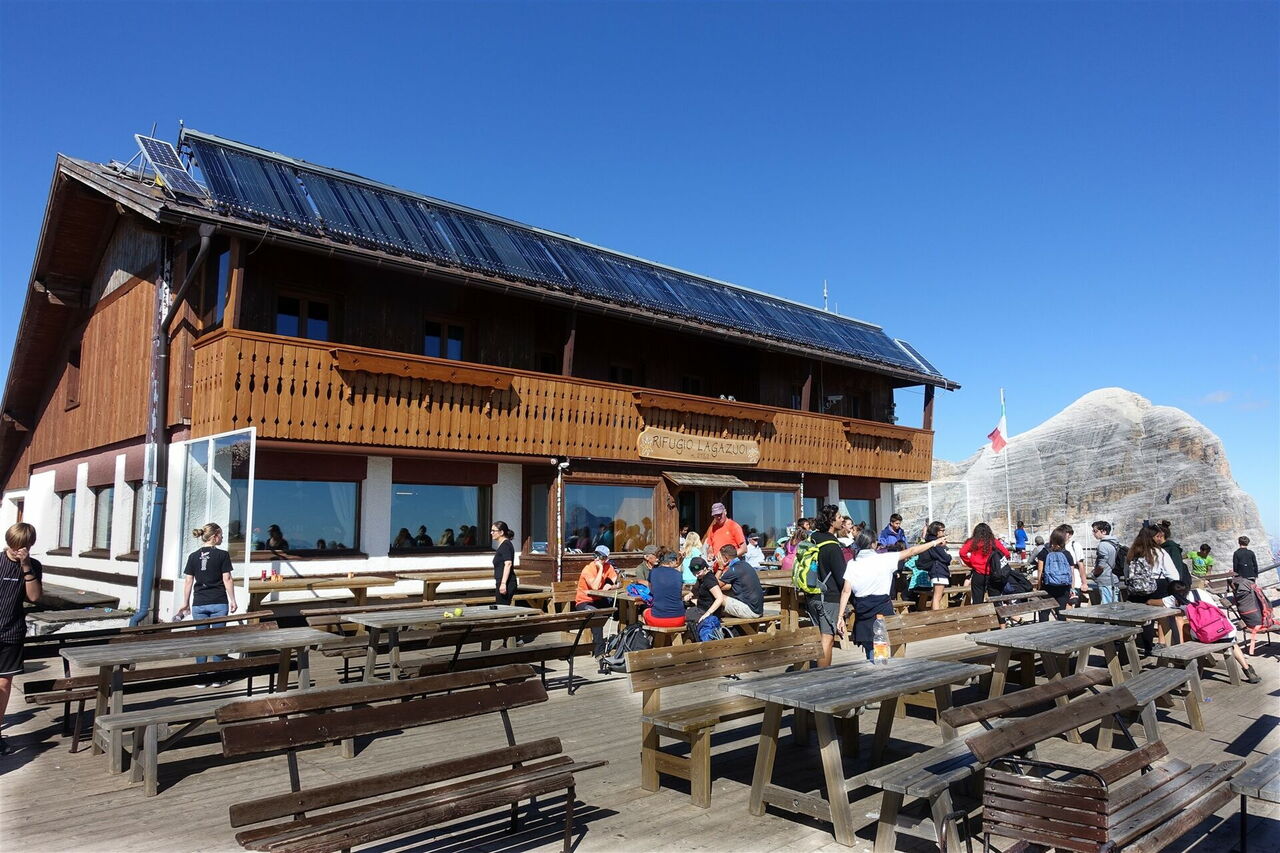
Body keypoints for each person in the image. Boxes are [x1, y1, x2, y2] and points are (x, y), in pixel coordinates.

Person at [847, 530, 947, 659]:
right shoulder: (884, 559)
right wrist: (934, 542)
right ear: (873, 544)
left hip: (862, 609)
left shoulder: (852, 563)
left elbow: (846, 591)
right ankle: (880, 666)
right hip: (881, 608)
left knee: (870, 648)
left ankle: (874, 663)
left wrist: (839, 616)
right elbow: (912, 551)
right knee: (881, 647)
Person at [1163, 581, 1260, 683]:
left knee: (1186, 628)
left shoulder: (1175, 600)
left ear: (1172, 593)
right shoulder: (1199, 592)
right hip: (1225, 631)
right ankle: (1247, 669)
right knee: (1232, 642)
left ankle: (1188, 661)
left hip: (1206, 638)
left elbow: (1156, 602)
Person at [0, 523, 42, 756]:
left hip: (11, 633)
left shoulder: (33, 565)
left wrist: (26, 566)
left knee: (3, 685)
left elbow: (34, 597)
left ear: (30, 545)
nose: (18, 550)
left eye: (23, 546)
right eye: (14, 546)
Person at [174, 523, 237, 669]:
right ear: (215, 536)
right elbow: (227, 579)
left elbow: (188, 581)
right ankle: (217, 675)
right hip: (219, 602)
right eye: (221, 535)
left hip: (199, 603)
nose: (222, 538)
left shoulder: (193, 556)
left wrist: (185, 603)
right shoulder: (223, 555)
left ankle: (201, 674)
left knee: (201, 640)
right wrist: (233, 600)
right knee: (218, 640)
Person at [804, 505, 853, 666]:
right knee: (827, 638)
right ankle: (824, 676)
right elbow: (841, 576)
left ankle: (820, 670)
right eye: (839, 517)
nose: (842, 519)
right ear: (831, 522)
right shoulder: (832, 546)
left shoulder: (813, 538)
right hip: (828, 597)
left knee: (820, 636)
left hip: (811, 593)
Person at [1126, 525, 1183, 650]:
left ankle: (1139, 646)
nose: (1159, 539)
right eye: (1157, 536)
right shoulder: (1159, 552)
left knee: (1141, 618)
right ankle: (1164, 646)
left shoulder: (1133, 552)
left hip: (1136, 589)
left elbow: (1127, 572)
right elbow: (1173, 574)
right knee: (1162, 617)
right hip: (1157, 586)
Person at [575, 545, 618, 655]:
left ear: (606, 559)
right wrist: (601, 569)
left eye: (601, 557)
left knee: (619, 609)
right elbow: (594, 587)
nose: (597, 559)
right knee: (597, 616)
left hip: (599, 600)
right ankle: (599, 651)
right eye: (596, 555)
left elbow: (615, 580)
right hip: (584, 601)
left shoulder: (609, 567)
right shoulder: (588, 569)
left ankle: (623, 641)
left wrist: (610, 585)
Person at [958, 523, 1009, 604]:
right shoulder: (994, 542)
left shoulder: (973, 542)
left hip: (978, 573)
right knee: (995, 599)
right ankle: (998, 612)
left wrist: (970, 563)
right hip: (993, 573)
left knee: (977, 600)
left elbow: (962, 553)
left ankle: (978, 613)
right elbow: (1006, 554)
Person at [1035, 528, 1075, 619]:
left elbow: (1040, 570)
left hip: (1048, 586)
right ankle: (1061, 627)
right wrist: (1072, 588)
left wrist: (1039, 584)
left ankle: (1043, 627)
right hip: (1064, 587)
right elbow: (1071, 573)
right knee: (1061, 612)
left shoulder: (1044, 552)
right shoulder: (1067, 554)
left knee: (1044, 612)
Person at [686, 556, 729, 639]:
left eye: (698, 573)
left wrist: (707, 613)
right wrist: (690, 594)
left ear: (705, 568)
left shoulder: (709, 580)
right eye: (694, 573)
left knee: (680, 616)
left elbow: (720, 598)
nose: (696, 575)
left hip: (708, 612)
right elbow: (696, 587)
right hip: (701, 609)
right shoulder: (702, 577)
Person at [716, 544, 764, 619]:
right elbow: (730, 586)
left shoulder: (734, 569)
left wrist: (720, 568)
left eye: (719, 558)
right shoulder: (745, 564)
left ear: (725, 558)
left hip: (750, 611)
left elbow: (712, 586)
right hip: (758, 609)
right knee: (724, 593)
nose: (717, 560)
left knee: (717, 596)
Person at [642, 552, 687, 629]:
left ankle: (650, 636)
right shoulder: (679, 574)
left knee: (645, 611)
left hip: (658, 619)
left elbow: (651, 590)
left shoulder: (653, 572)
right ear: (672, 561)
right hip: (679, 619)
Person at [916, 520, 952, 611]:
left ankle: (935, 614)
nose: (944, 532)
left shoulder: (931, 542)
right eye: (942, 530)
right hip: (939, 571)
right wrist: (943, 548)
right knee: (937, 596)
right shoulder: (935, 543)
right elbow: (946, 558)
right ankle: (936, 615)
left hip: (936, 570)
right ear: (936, 531)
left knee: (937, 596)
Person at [1090, 521, 1120, 604]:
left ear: (1103, 531)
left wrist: (1094, 574)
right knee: (1114, 604)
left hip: (1106, 580)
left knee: (1107, 607)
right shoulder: (1115, 543)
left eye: (1095, 531)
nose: (1093, 533)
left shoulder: (1103, 545)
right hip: (1114, 578)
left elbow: (1101, 565)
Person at [491, 521, 516, 606]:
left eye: (494, 531)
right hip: (501, 581)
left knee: (502, 608)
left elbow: (508, 564)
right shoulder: (502, 545)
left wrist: (503, 583)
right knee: (501, 607)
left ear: (501, 532)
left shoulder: (505, 545)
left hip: (506, 583)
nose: (491, 533)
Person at [1158, 520, 1190, 586]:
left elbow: (1177, 568)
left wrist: (1176, 586)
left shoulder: (1172, 548)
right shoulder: (1159, 548)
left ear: (1161, 534)